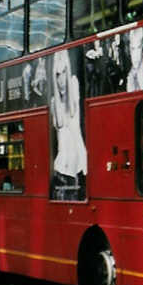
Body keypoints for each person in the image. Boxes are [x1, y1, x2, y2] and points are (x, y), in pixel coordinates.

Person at [50, 49, 88, 200]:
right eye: (57, 75)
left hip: (78, 169)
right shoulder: (54, 102)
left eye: (63, 72)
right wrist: (57, 92)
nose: (60, 80)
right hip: (61, 172)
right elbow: (60, 123)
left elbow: (72, 110)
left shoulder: (73, 83)